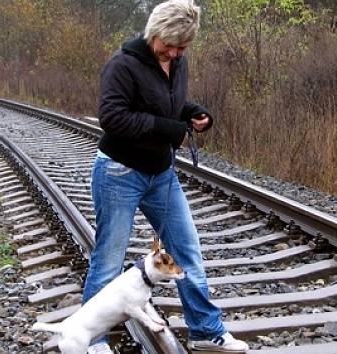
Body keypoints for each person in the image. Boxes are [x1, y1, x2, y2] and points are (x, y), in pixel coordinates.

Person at [82, 1, 249, 353]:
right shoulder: (123, 65)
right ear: (154, 32)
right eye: (168, 45)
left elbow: (167, 104)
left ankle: (205, 331)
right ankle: (93, 342)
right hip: (119, 172)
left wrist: (195, 112)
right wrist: (168, 129)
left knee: (187, 253)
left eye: (181, 48)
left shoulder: (177, 61)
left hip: (160, 174)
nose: (173, 52)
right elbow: (112, 117)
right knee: (109, 261)